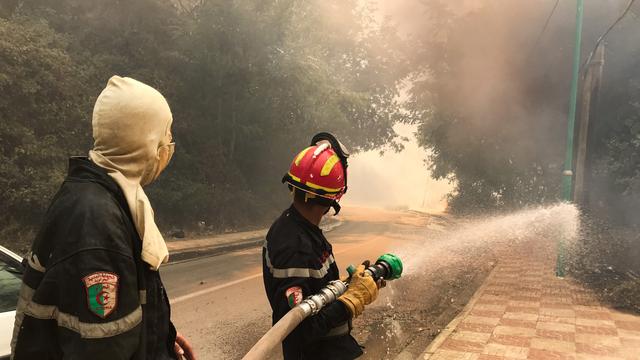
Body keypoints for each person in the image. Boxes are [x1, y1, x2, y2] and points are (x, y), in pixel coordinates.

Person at [10, 76, 196, 360]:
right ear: (146, 143)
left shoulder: (100, 193)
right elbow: (103, 349)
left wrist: (160, 337)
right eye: (166, 134)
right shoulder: (97, 223)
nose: (169, 144)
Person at [262, 132, 380, 359]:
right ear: (332, 199)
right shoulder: (294, 246)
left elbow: (317, 296)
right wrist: (350, 302)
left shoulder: (303, 230)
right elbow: (299, 329)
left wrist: (350, 285)